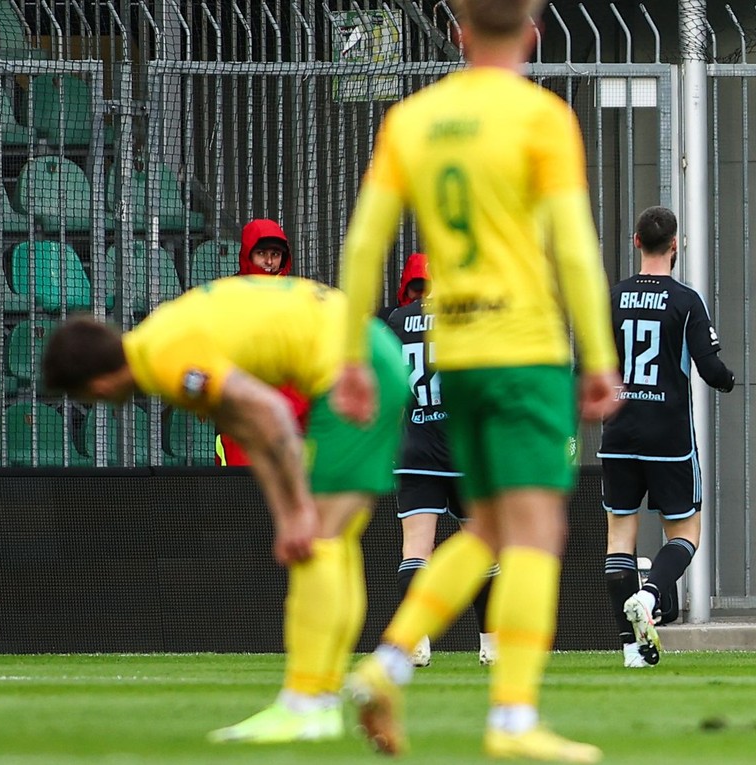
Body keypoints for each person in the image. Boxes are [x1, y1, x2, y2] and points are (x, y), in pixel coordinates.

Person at [332, 0, 621, 760]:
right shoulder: (540, 118)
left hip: (454, 354)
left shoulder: (414, 119)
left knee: (492, 527)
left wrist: (351, 356)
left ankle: (387, 663)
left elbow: (364, 244)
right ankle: (513, 720)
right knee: (536, 532)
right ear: (533, 31)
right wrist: (597, 356)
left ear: (458, 31)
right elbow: (577, 249)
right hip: (523, 350)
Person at [39, 276, 409, 743]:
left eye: (84, 397)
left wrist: (296, 512)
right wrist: (286, 514)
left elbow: (272, 412)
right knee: (333, 541)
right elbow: (250, 431)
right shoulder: (159, 343)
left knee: (319, 540)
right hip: (368, 353)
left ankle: (306, 703)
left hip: (354, 369)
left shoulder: (164, 358)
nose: (96, 406)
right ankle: (321, 700)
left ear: (95, 382)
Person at [599, 206, 735, 669]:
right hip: (668, 435)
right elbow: (711, 369)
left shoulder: (610, 298)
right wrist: (729, 379)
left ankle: (631, 649)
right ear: (675, 245)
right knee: (685, 532)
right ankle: (653, 595)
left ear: (635, 241)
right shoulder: (685, 300)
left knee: (620, 537)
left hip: (617, 432)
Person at [380, 252, 498, 668]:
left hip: (414, 448)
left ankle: (415, 641)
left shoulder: (395, 321)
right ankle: (490, 644)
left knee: (416, 549)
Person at [215, 219, 311, 467]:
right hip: (242, 417)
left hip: (291, 415)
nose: (269, 262)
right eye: (262, 254)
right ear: (248, 253)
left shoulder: (299, 298)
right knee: (240, 497)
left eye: (275, 254)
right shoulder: (225, 298)